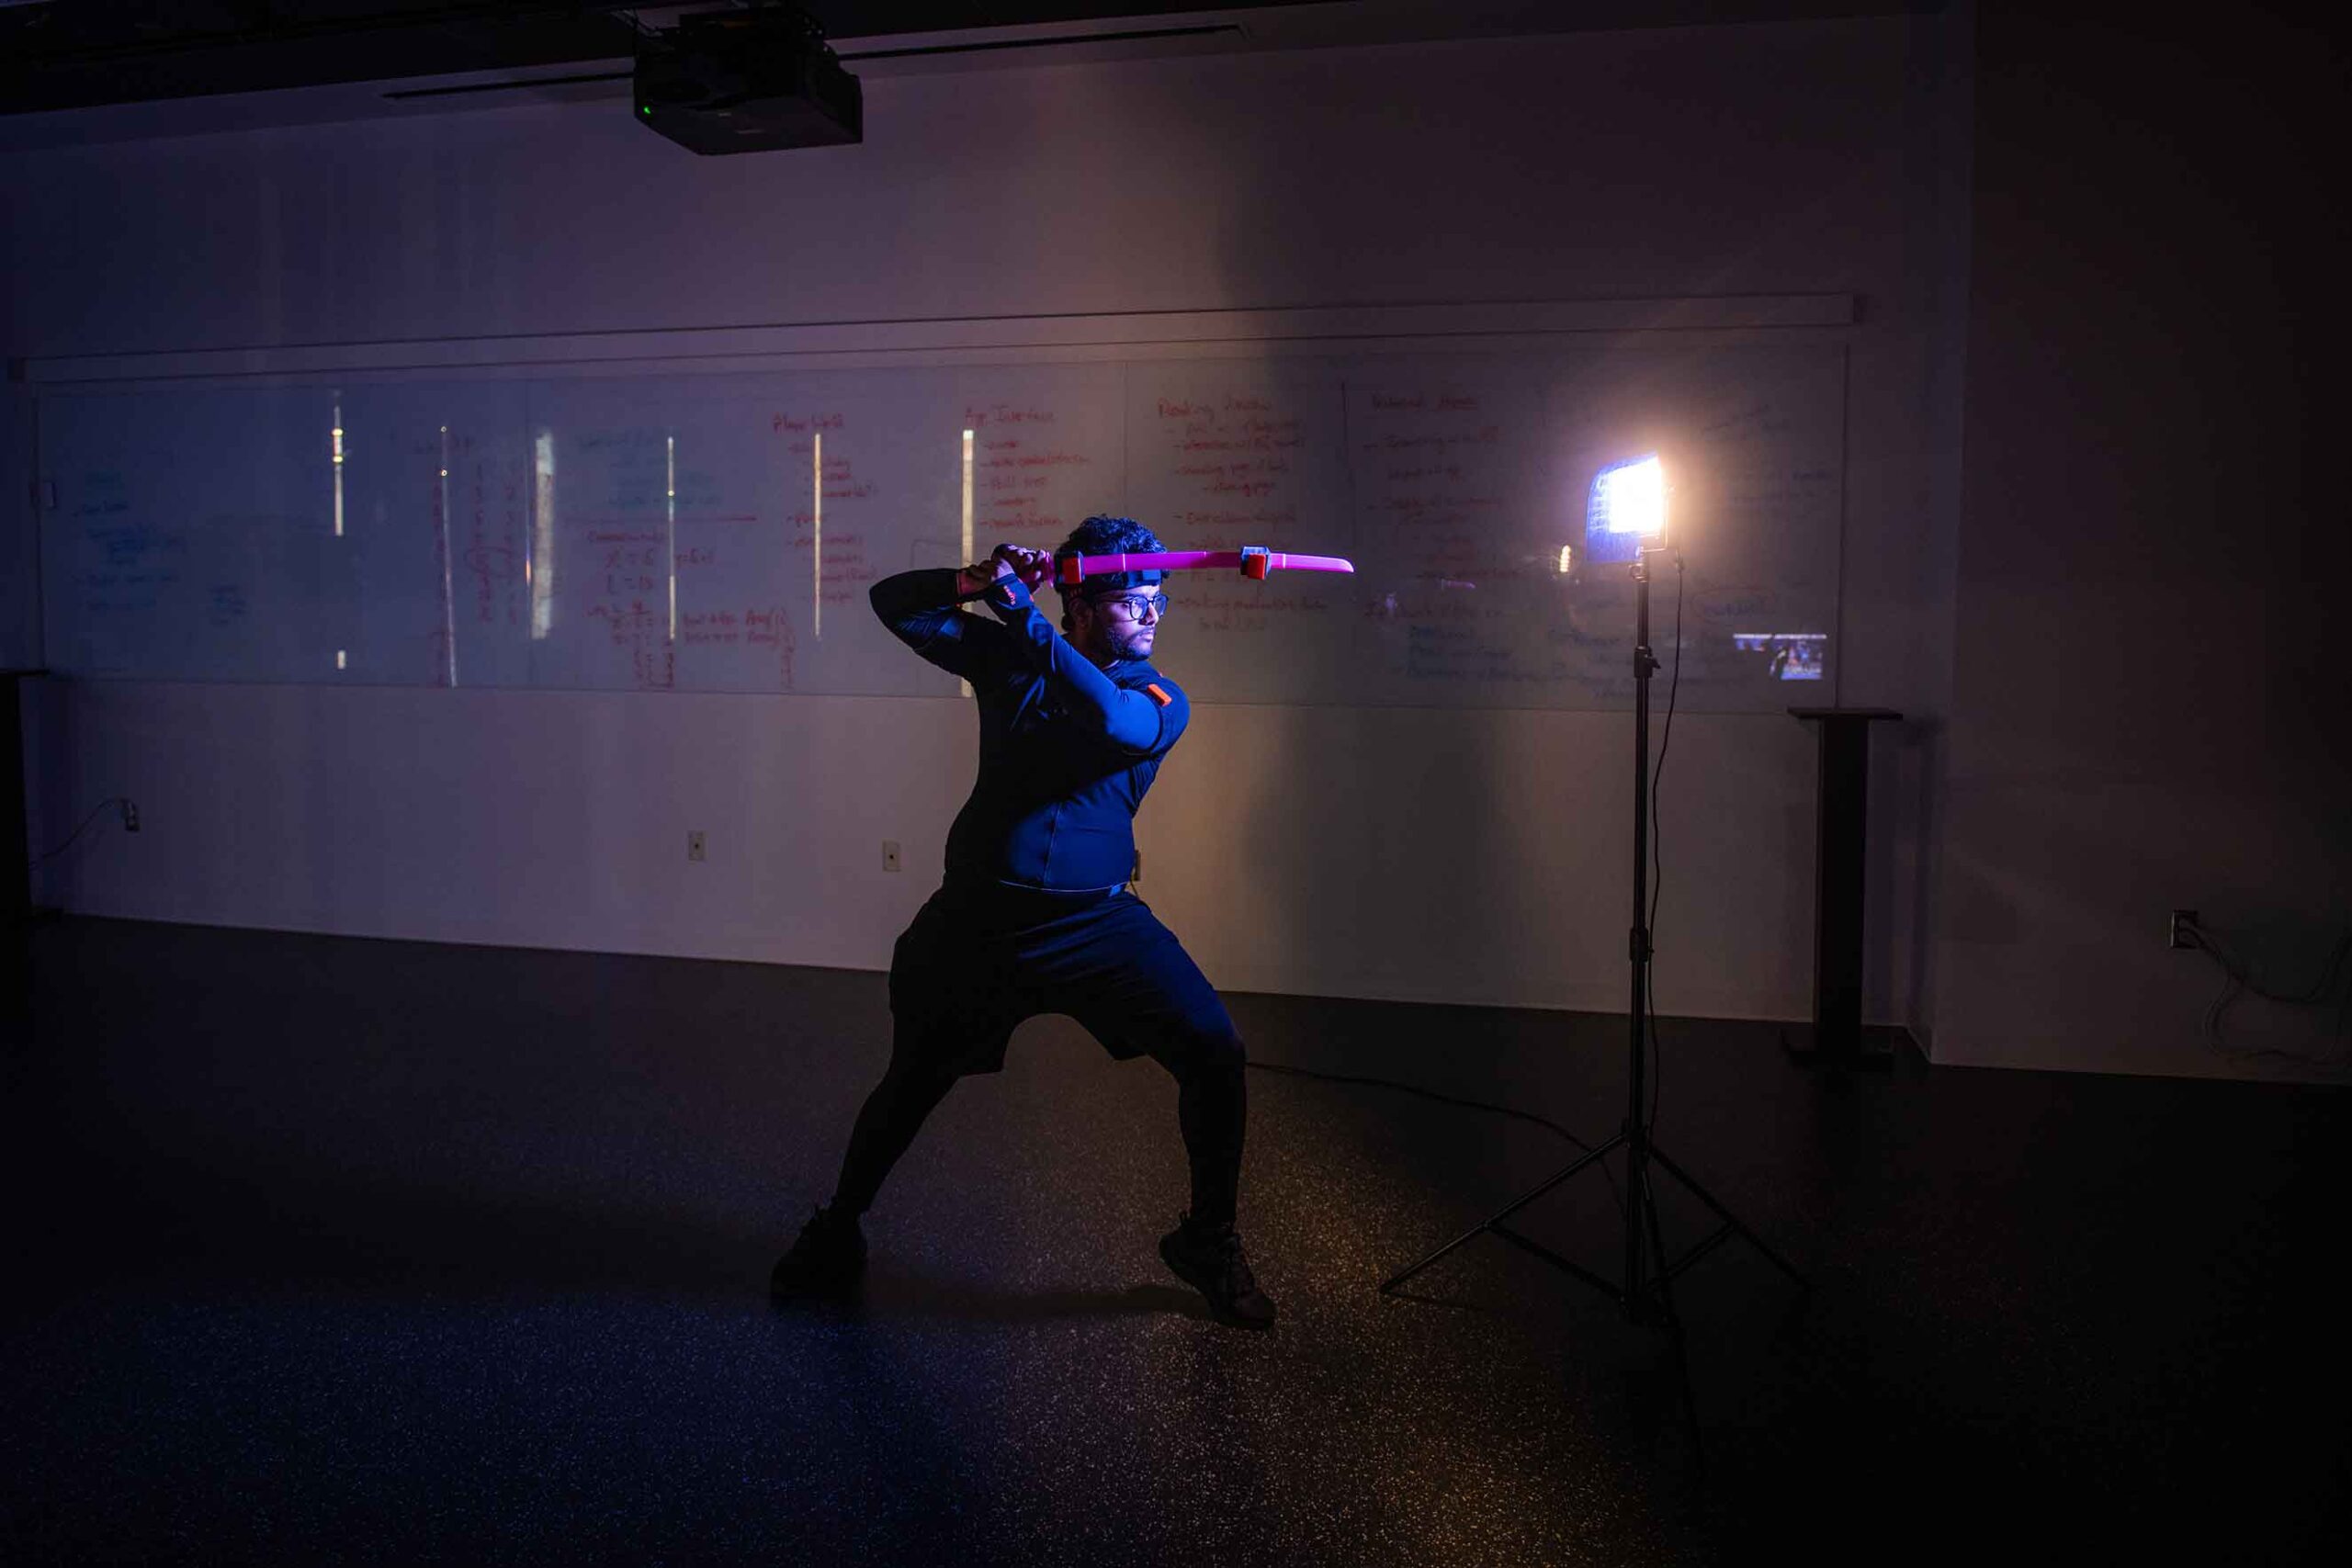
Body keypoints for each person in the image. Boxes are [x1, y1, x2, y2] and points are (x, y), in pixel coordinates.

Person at [770, 515, 1276, 1329]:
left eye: (1158, 600)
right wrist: (977, 581)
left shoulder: (1156, 695)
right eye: (1129, 602)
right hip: (980, 923)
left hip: (1099, 928)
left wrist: (1023, 614)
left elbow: (1112, 721)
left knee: (1215, 1052)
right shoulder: (1011, 660)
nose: (1150, 616)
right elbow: (894, 604)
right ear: (1079, 607)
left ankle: (1207, 1240)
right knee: (912, 1081)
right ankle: (837, 1228)